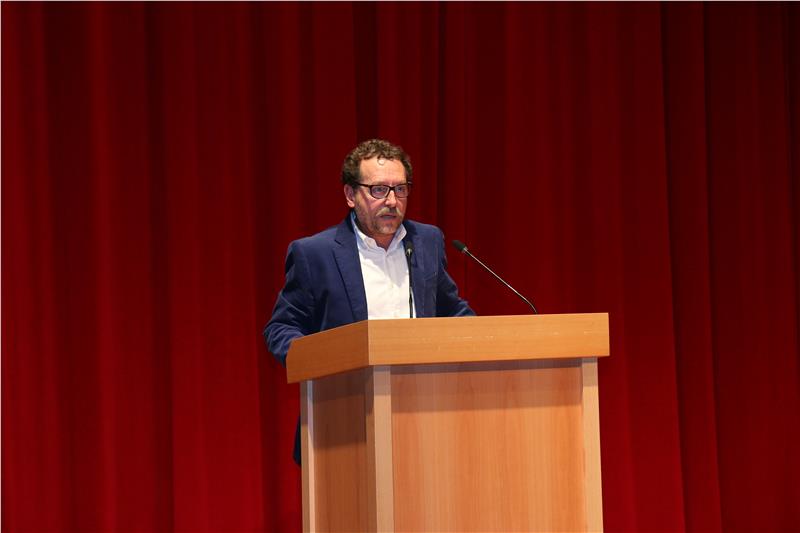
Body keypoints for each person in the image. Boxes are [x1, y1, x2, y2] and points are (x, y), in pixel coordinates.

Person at [263, 139, 474, 462]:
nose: (391, 201)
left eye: (400, 189)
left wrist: (478, 341)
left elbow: (452, 311)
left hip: (424, 418)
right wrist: (325, 361)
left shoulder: (427, 241)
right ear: (351, 195)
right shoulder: (315, 254)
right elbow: (281, 328)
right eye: (378, 190)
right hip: (342, 422)